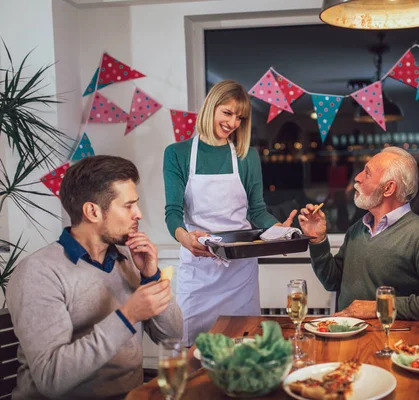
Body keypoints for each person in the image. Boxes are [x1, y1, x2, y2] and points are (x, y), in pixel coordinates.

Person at [6, 155, 183, 399]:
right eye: (128, 205)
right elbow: (51, 378)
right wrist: (128, 316)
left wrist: (151, 276)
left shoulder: (128, 259)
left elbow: (171, 336)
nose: (139, 214)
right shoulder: (38, 273)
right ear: (92, 211)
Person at [163, 80, 296, 346]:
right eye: (227, 113)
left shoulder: (247, 156)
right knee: (193, 349)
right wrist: (184, 238)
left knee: (243, 345)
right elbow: (173, 212)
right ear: (211, 107)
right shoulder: (177, 154)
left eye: (240, 117)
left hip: (239, 274)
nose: (233, 122)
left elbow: (257, 211)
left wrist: (280, 232)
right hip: (198, 266)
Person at [298, 147, 419, 320]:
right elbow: (333, 281)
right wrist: (318, 240)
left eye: (367, 173)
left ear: (388, 188)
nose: (357, 178)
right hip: (348, 337)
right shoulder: (357, 229)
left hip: (394, 340)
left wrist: (379, 307)